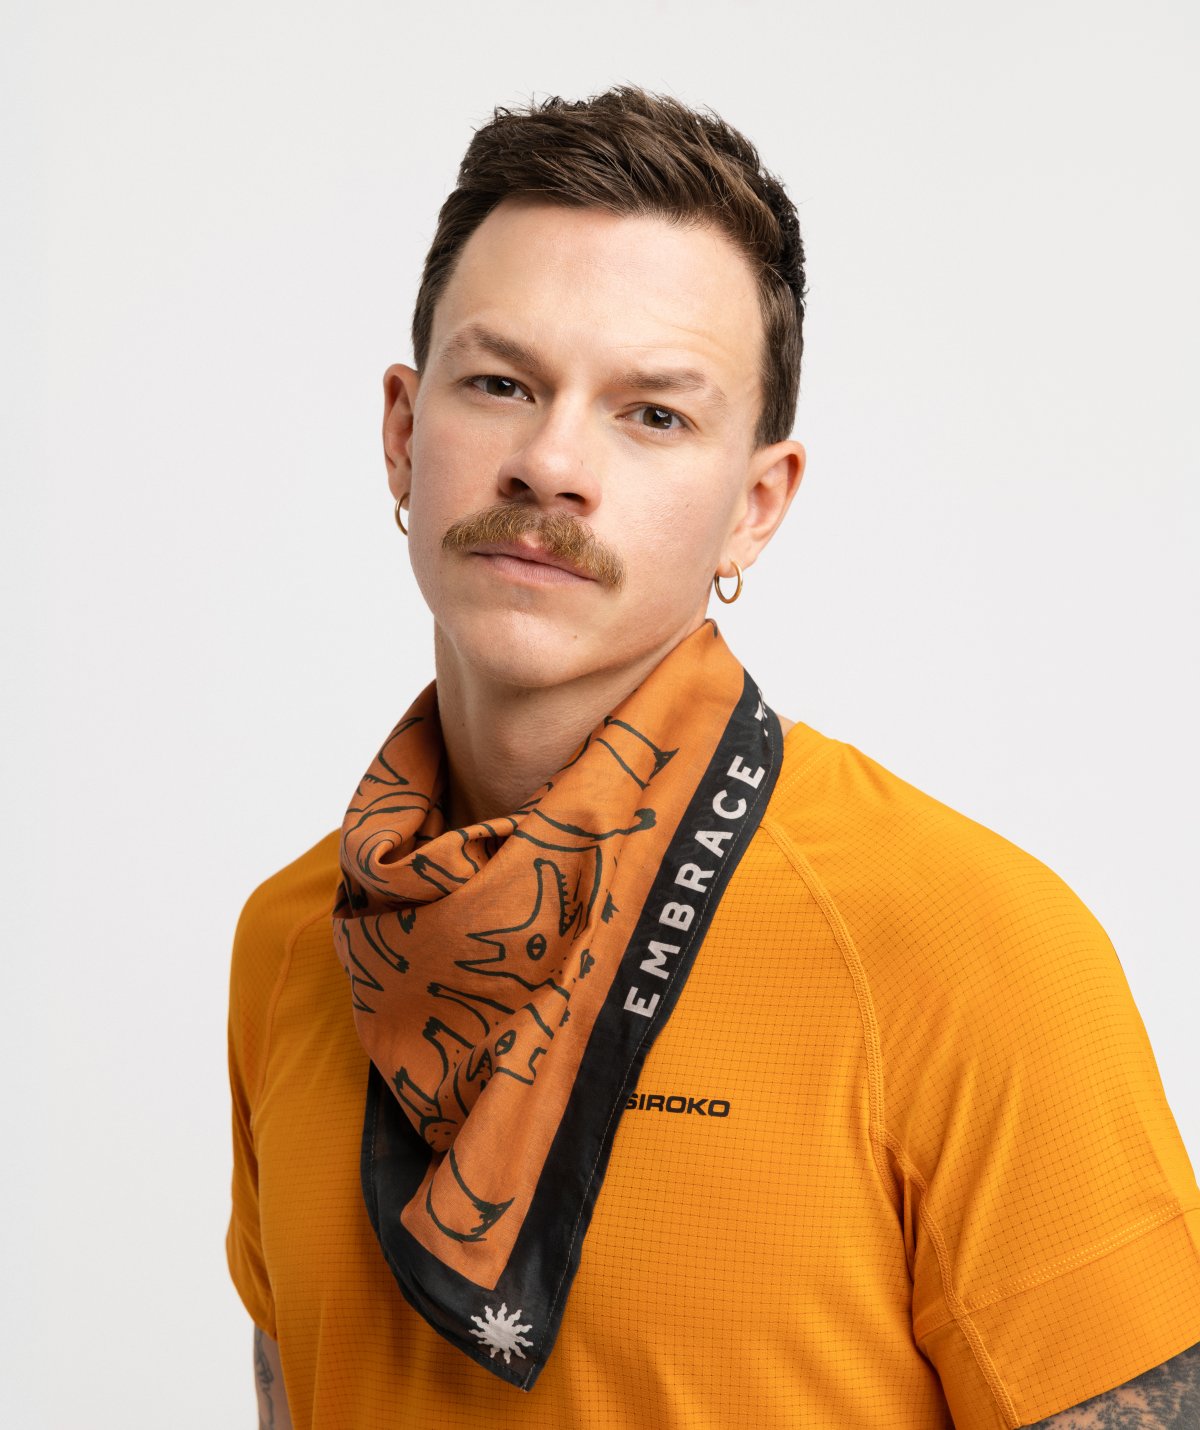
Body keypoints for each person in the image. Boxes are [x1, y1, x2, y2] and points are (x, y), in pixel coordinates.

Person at [225, 86, 1200, 1429]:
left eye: (653, 415)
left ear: (756, 506)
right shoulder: (294, 944)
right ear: (404, 432)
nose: (551, 462)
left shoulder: (966, 951)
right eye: (500, 384)